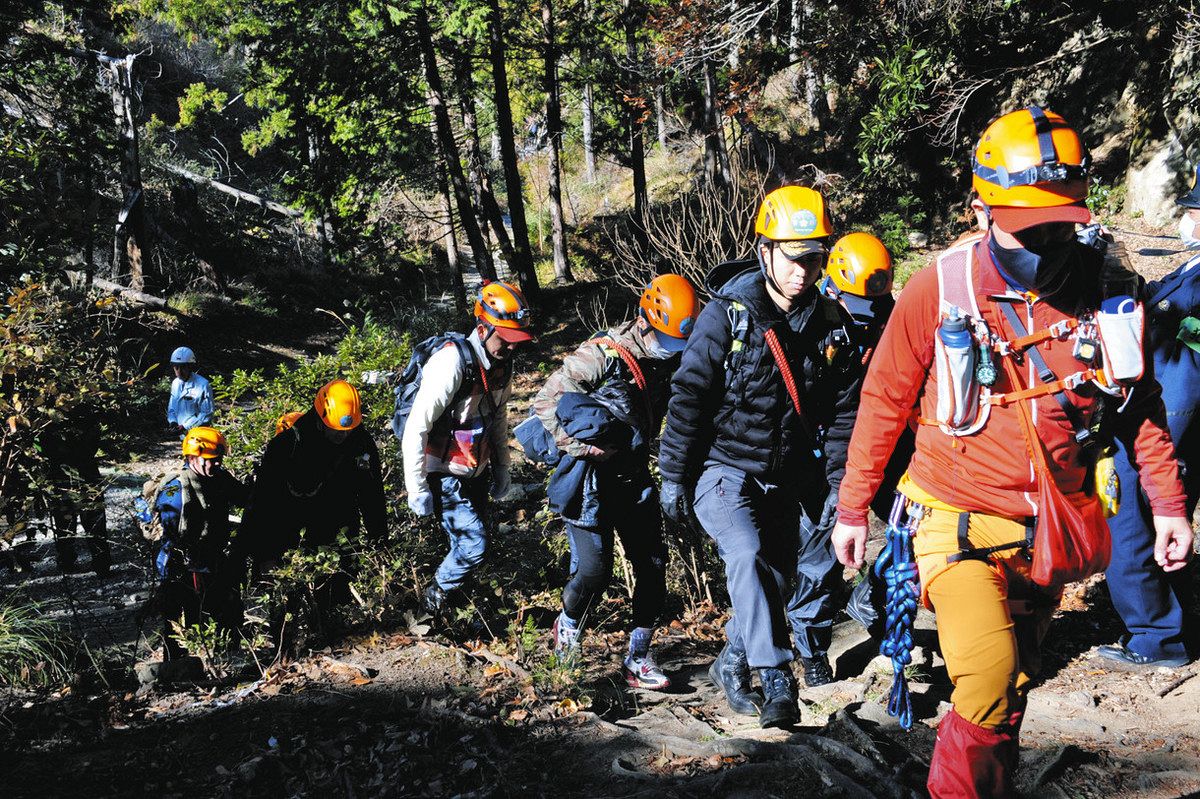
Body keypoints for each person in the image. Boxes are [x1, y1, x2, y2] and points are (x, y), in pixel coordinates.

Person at [831, 107, 1191, 797]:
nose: (1050, 242)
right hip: (951, 515)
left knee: (1010, 690)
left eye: (1063, 222)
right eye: (1030, 226)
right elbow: (883, 401)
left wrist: (1168, 503)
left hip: (1051, 533)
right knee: (990, 680)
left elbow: (1138, 402)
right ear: (980, 208)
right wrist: (853, 509)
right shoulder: (939, 287)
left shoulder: (1110, 291)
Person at [658, 186, 864, 728]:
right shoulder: (727, 317)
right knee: (746, 554)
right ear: (765, 251)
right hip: (721, 468)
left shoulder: (830, 325)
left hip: (787, 475)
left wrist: (841, 485)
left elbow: (846, 412)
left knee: (774, 579)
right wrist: (673, 477)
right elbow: (688, 396)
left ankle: (732, 662)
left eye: (814, 259)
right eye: (793, 259)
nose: (804, 272)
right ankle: (778, 680)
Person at [531, 274, 699, 689]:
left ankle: (638, 659)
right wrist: (584, 449)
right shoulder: (602, 355)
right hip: (590, 481)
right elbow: (545, 401)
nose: (674, 349)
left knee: (653, 567)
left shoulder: (671, 359)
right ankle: (566, 630)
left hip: (635, 476)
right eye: (667, 338)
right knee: (594, 571)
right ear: (645, 322)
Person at [785, 232, 913, 661]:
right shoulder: (806, 323)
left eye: (875, 307)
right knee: (821, 554)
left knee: (915, 529)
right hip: (824, 453)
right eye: (856, 307)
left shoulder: (890, 316)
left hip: (885, 443)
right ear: (832, 287)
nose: (866, 318)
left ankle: (870, 599)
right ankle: (812, 647)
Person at [1097, 163, 1200, 668]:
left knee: (1132, 520)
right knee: (1164, 523)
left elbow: (1178, 347)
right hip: (1170, 413)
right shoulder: (1192, 270)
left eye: (1194, 211)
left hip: (1168, 417)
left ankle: (1156, 639)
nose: (1188, 220)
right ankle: (1171, 624)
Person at [403, 281, 532, 616]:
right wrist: (416, 488)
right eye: (505, 338)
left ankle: (456, 609)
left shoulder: (503, 363)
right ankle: (429, 605)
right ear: (483, 327)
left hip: (476, 468)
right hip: (443, 472)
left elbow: (499, 416)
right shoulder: (451, 364)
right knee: (473, 545)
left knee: (472, 543)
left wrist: (503, 468)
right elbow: (417, 426)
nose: (511, 347)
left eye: (516, 340)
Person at [239, 379, 386, 569]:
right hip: (290, 524)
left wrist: (379, 542)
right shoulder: (287, 445)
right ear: (320, 418)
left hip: (339, 524)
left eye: (348, 430)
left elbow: (372, 493)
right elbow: (262, 501)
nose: (343, 436)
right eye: (336, 430)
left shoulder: (360, 441)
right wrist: (262, 554)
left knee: (340, 584)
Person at [151, 426, 248, 661]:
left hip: (213, 558)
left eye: (219, 459)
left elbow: (246, 497)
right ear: (192, 457)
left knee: (228, 610)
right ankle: (179, 666)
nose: (216, 464)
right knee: (179, 622)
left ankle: (227, 659)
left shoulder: (220, 479)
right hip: (180, 565)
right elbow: (170, 533)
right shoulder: (175, 490)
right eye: (211, 460)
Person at [42, 413, 112, 576]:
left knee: (92, 519)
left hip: (79, 471)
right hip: (66, 472)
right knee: (66, 520)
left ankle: (99, 563)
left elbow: (93, 440)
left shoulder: (84, 413)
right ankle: (71, 561)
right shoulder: (50, 419)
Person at [166, 347, 214, 435]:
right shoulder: (175, 383)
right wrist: (173, 422)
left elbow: (207, 414)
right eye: (176, 367)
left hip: (198, 434)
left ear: (190, 367)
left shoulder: (203, 385)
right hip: (180, 434)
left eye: (183, 367)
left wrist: (185, 426)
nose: (179, 371)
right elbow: (172, 407)